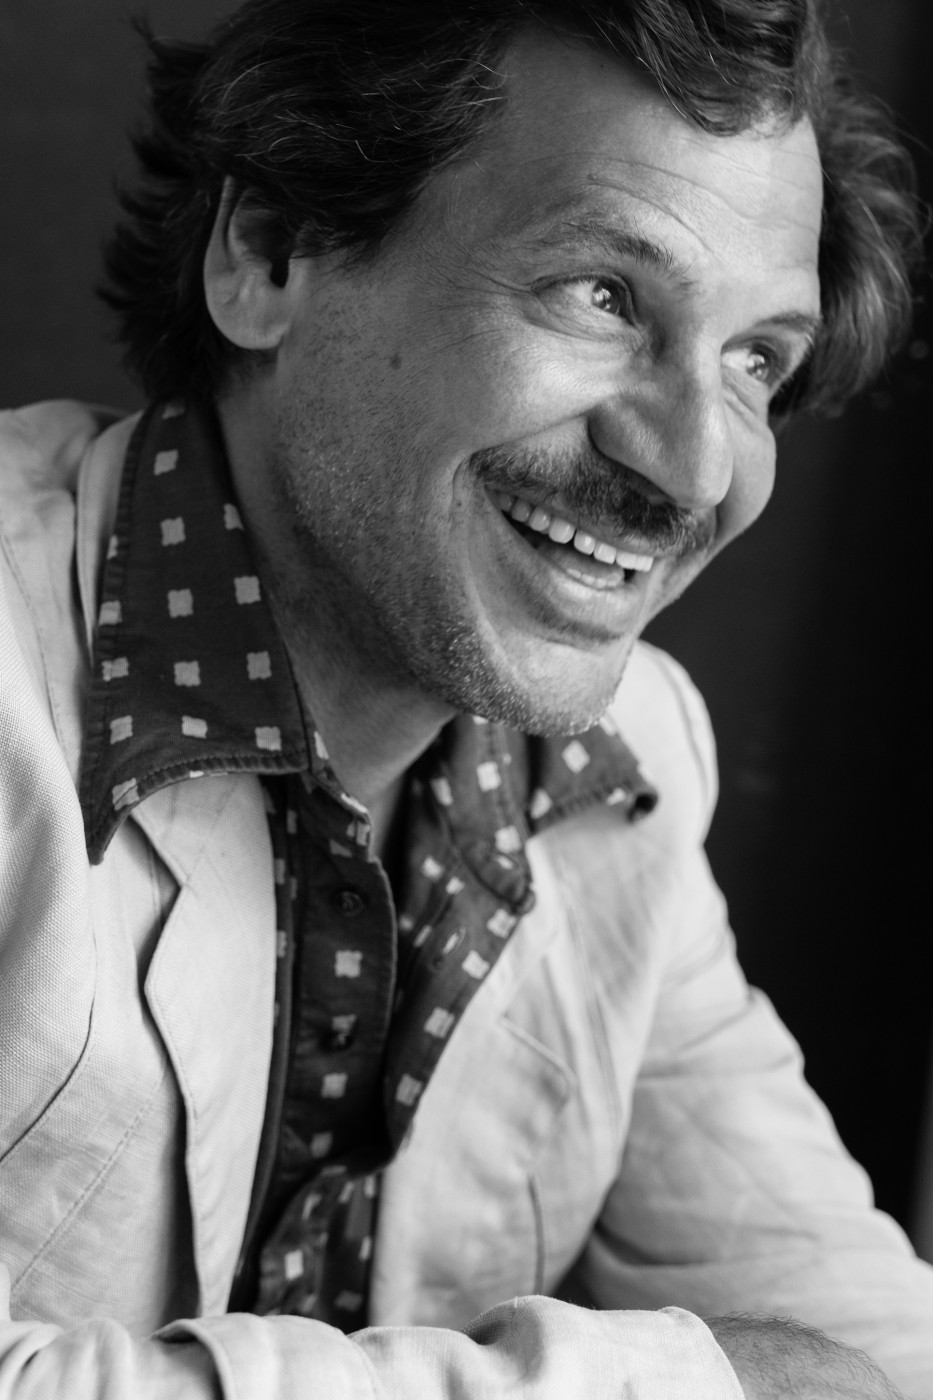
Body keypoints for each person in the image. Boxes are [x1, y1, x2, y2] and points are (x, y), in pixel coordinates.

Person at [1, 0, 931, 1395]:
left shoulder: (629, 759)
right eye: (603, 294)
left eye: (755, 360)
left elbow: (869, 1339)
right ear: (269, 254)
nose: (693, 468)